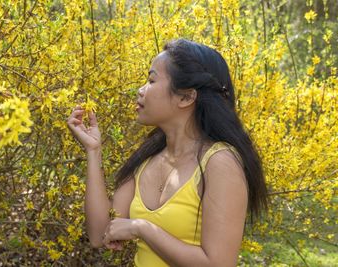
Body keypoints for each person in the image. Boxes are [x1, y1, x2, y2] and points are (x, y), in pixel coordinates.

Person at [67, 38, 268, 266]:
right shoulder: (147, 159)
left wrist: (142, 228)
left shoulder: (220, 162)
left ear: (186, 97)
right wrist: (93, 151)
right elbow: (99, 233)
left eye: (152, 80)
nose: (141, 90)